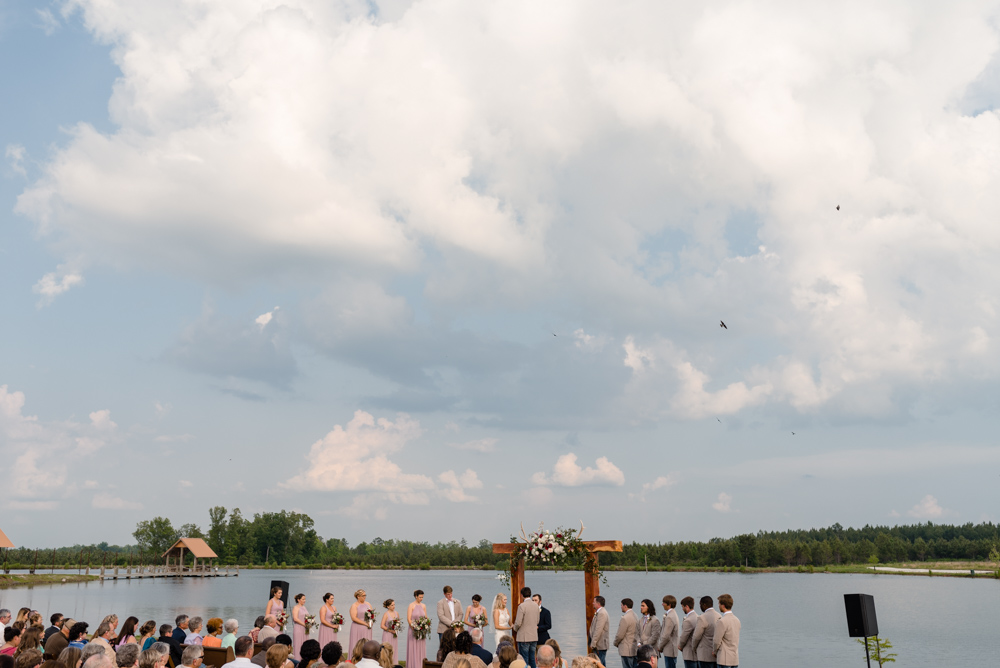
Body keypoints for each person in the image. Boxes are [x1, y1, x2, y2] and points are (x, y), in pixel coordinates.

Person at [510, 588, 538, 668]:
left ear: (521, 595)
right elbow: (537, 620)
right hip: (534, 636)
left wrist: (514, 628)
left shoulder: (522, 606)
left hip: (524, 637)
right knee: (532, 658)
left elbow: (518, 622)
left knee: (524, 659)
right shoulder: (536, 605)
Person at [712, 595, 739, 668]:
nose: (718, 606)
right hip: (734, 659)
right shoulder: (737, 620)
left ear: (723, 606)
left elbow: (716, 641)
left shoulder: (722, 621)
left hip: (724, 660)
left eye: (719, 604)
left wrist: (714, 651)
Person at [692, 597, 719, 668]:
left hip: (704, 655)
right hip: (716, 655)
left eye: (700, 604)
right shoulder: (719, 616)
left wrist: (694, 648)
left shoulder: (702, 617)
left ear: (704, 605)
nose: (700, 606)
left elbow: (696, 636)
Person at [612, 599, 637, 668]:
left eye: (621, 605)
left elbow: (620, 635)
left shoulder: (625, 618)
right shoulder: (635, 616)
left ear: (625, 606)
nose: (621, 607)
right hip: (634, 648)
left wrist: (615, 643)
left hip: (626, 649)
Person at [405, 590, 427, 668]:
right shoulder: (411, 605)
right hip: (413, 630)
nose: (421, 599)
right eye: (420, 597)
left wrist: (424, 626)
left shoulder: (424, 606)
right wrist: (414, 629)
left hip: (421, 631)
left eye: (422, 597)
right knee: (413, 648)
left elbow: (425, 618)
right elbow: (408, 619)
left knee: (421, 648)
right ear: (416, 596)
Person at [656, 597, 679, 668]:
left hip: (669, 650)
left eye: (664, 603)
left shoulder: (670, 617)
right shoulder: (673, 614)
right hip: (671, 649)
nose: (662, 604)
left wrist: (660, 647)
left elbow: (666, 635)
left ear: (669, 604)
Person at [675, 598, 697, 668]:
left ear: (687, 606)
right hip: (697, 654)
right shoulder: (697, 617)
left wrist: (680, 646)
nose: (682, 609)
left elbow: (684, 636)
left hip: (689, 654)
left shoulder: (688, 620)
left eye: (682, 607)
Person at [588, 597, 609, 667]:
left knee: (600, 664)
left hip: (600, 645)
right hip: (598, 644)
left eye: (594, 602)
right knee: (601, 663)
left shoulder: (602, 613)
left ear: (598, 604)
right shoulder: (599, 612)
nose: (592, 603)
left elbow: (598, 630)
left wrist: (593, 643)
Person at [291, 595, 309, 660]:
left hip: (305, 629)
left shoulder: (304, 607)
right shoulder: (296, 607)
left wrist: (309, 623)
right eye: (303, 599)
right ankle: (297, 660)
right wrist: (304, 624)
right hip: (298, 628)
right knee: (298, 645)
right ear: (298, 600)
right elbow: (295, 618)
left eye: (305, 599)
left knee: (305, 645)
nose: (304, 601)